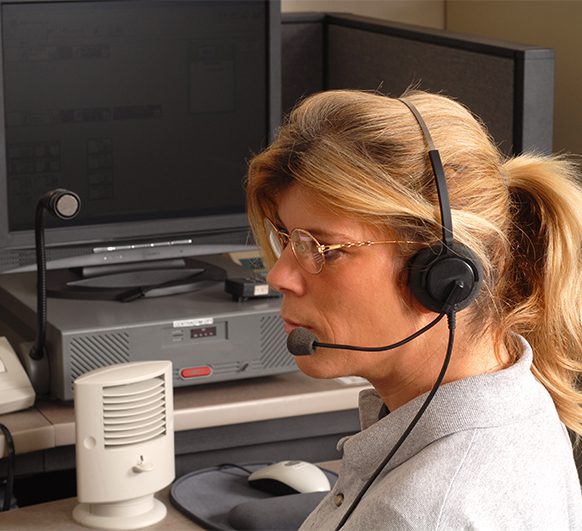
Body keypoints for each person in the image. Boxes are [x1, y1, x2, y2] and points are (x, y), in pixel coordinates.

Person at [245, 89, 582, 530]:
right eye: (287, 239)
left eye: (321, 247)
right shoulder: (518, 400)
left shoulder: (422, 514)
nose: (280, 276)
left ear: (442, 274)